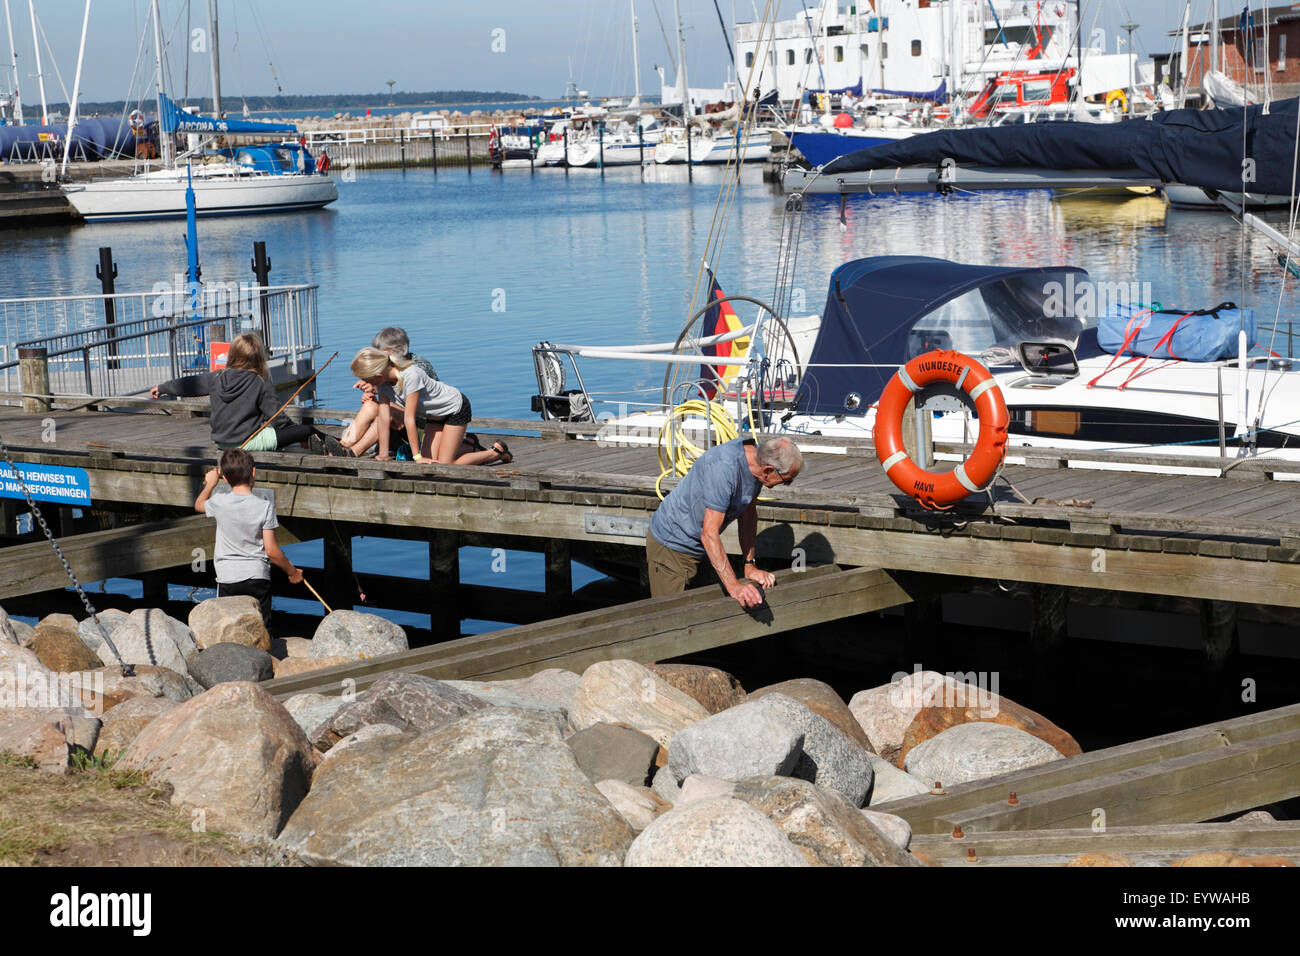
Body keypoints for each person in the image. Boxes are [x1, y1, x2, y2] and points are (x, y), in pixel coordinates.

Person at [646, 436, 803, 607]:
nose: (787, 484)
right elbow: (709, 534)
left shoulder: (756, 464)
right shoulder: (724, 468)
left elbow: (748, 514)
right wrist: (734, 586)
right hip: (671, 545)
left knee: (707, 611)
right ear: (767, 470)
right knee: (673, 620)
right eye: (786, 480)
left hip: (700, 546)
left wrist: (749, 565)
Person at [151, 332, 340, 453]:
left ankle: (327, 444)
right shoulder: (259, 381)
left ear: (233, 354)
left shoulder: (217, 377)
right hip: (247, 442)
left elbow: (188, 384)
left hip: (223, 443)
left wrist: (162, 388)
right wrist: (295, 433)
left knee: (294, 435)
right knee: (307, 429)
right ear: (258, 356)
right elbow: (277, 418)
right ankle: (339, 444)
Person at [194, 448, 303, 627]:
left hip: (227, 577)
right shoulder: (264, 506)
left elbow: (198, 505)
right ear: (253, 472)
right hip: (257, 576)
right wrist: (293, 572)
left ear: (226, 479)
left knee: (229, 628)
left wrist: (210, 483)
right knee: (261, 629)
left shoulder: (219, 501)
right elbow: (272, 551)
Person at [349, 347, 511, 465]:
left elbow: (409, 418)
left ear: (378, 375)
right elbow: (384, 417)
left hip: (455, 409)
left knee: (446, 465)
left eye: (367, 380)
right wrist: (383, 454)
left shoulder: (410, 375)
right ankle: (469, 445)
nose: (366, 384)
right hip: (434, 416)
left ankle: (496, 452)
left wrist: (417, 457)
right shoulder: (383, 384)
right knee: (432, 464)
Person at [340, 327, 439, 457]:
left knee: (388, 410)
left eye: (379, 353)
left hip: (424, 425)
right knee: (370, 405)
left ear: (390, 352)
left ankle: (353, 452)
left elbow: (412, 404)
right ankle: (342, 446)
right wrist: (373, 390)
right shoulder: (390, 367)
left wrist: (376, 389)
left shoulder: (416, 367)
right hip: (404, 421)